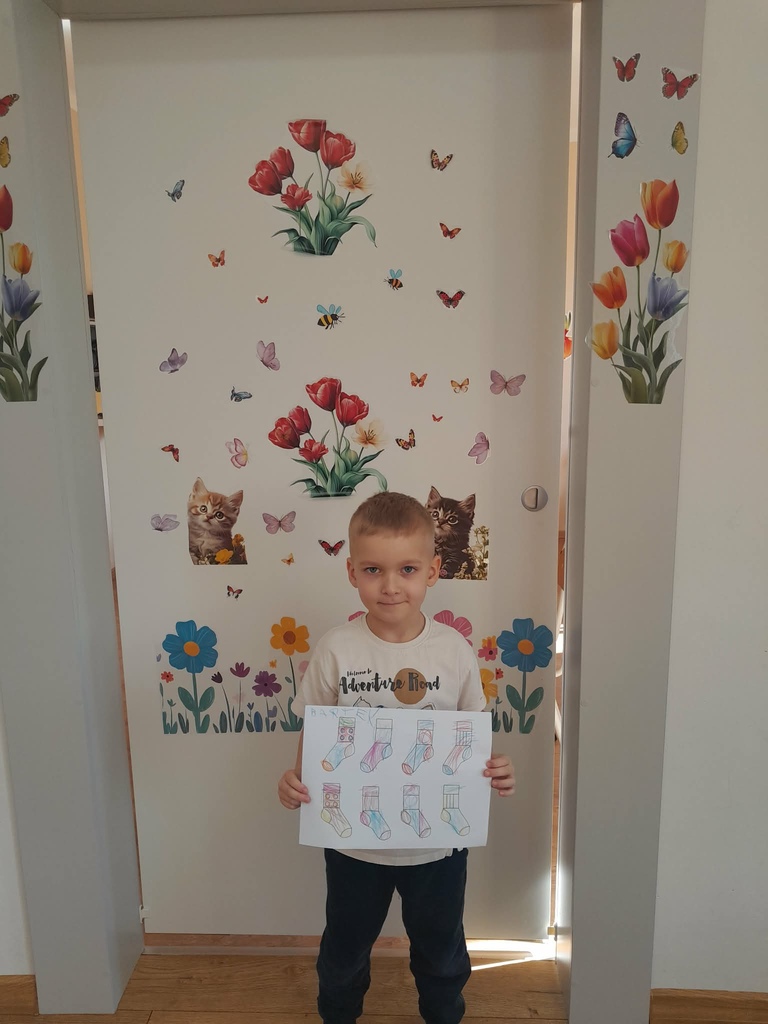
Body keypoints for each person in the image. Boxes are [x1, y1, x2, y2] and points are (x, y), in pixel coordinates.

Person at [278, 491, 515, 1024]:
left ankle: (443, 1015)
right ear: (352, 572)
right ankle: (338, 1015)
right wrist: (296, 778)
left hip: (438, 848)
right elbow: (315, 730)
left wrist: (496, 769)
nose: (390, 585)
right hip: (353, 846)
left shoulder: (453, 650)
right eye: (373, 570)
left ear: (432, 571)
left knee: (441, 950)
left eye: (407, 569)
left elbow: (472, 735)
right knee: (344, 949)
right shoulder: (336, 648)